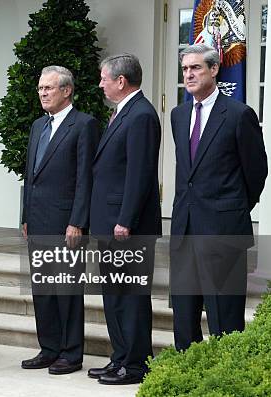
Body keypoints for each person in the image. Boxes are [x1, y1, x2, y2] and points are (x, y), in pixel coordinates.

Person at [170, 43, 267, 351]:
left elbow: (256, 172)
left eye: (196, 67)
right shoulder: (178, 114)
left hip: (224, 233)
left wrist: (233, 209)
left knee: (225, 323)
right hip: (184, 232)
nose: (189, 74)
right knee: (184, 321)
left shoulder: (239, 115)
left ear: (214, 70)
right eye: (185, 69)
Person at [20, 66, 100, 374]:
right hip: (37, 219)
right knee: (43, 289)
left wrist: (78, 221)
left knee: (66, 290)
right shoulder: (38, 125)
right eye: (40, 88)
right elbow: (30, 176)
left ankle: (71, 352)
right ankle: (49, 347)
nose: (42, 93)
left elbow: (85, 178)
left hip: (66, 222)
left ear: (66, 90)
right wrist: (25, 215)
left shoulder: (84, 125)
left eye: (48, 88)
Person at [88, 54, 161, 385]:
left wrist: (126, 220)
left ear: (121, 81)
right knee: (113, 296)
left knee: (130, 298)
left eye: (105, 78)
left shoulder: (142, 115)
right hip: (109, 221)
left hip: (126, 226)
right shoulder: (123, 112)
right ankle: (119, 358)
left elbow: (140, 174)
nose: (100, 83)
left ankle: (135, 366)